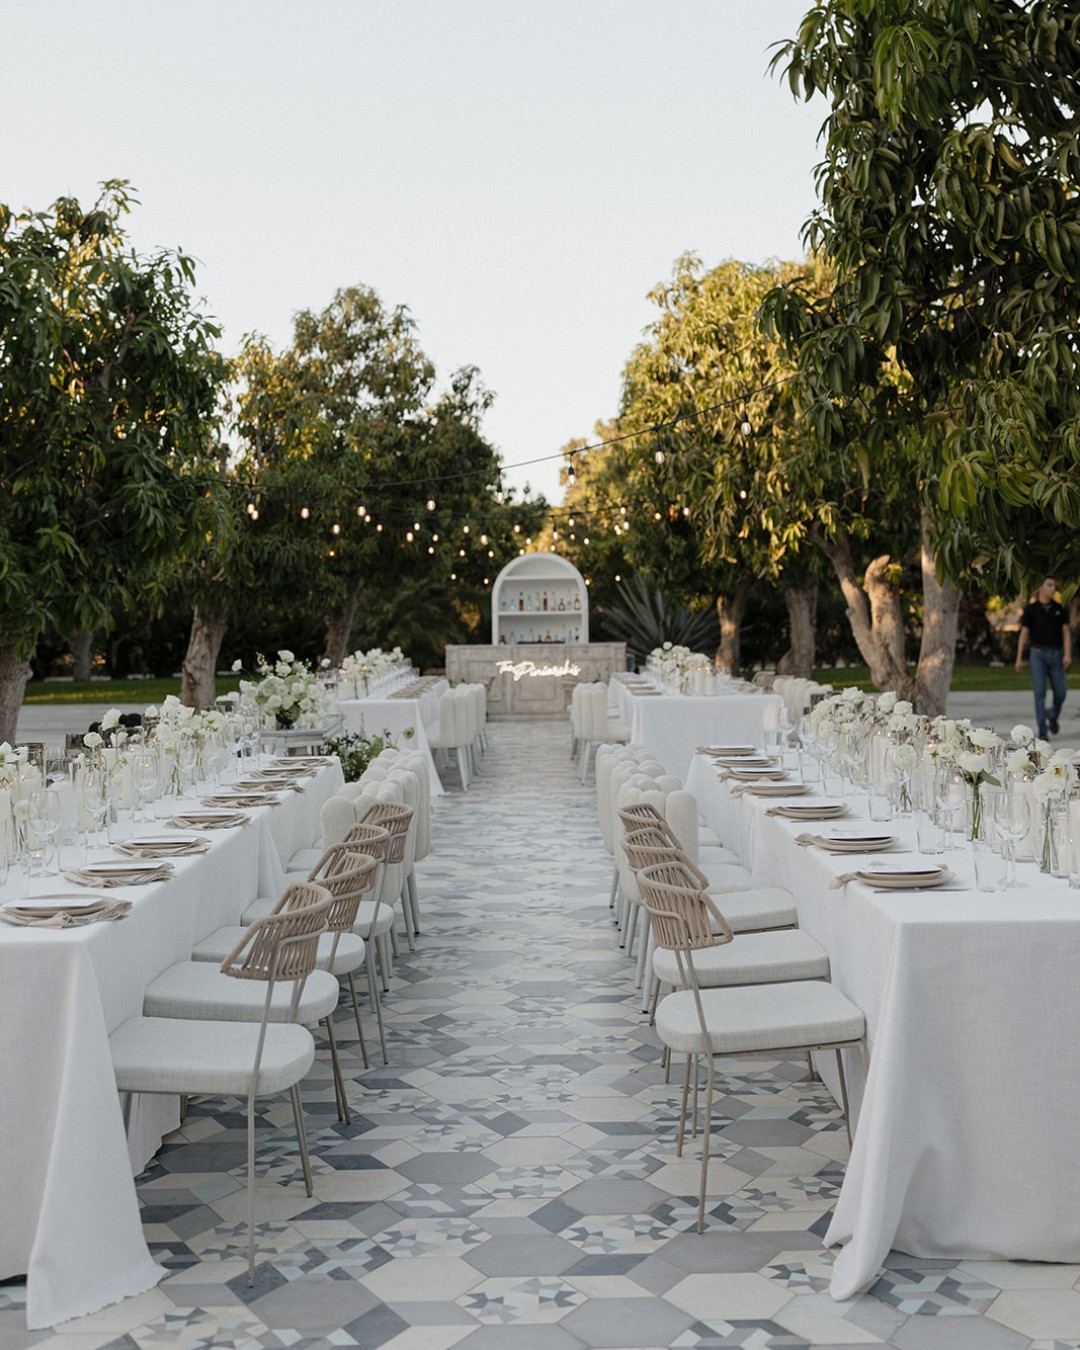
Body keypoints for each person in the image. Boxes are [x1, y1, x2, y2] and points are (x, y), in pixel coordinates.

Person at [1015, 577, 1072, 737]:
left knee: (1061, 692)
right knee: (1039, 693)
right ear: (1040, 587)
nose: (1053, 588)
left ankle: (1052, 715)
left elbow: (1066, 632)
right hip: (1037, 655)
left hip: (1057, 654)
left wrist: (1067, 654)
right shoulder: (1031, 610)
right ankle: (1042, 731)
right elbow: (1024, 634)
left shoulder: (1060, 608)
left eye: (1054, 585)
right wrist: (1019, 658)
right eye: (1049, 585)